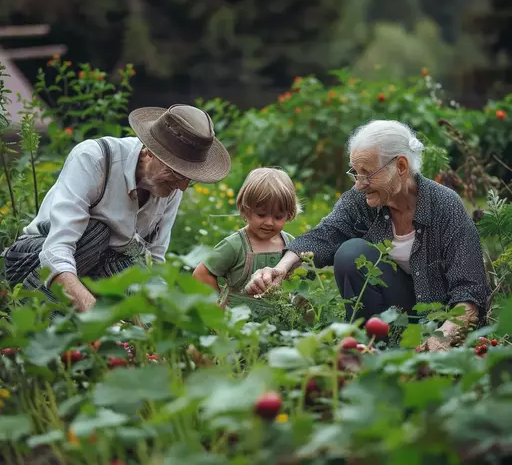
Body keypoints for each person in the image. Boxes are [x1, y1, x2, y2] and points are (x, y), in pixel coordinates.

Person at [245, 120, 491, 351]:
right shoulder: (360, 200)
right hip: (393, 317)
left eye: (367, 173)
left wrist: (441, 341)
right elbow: (326, 234)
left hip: (439, 324)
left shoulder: (445, 207)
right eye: (355, 172)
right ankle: (370, 350)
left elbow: (469, 295)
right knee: (351, 253)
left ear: (401, 167)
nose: (359, 184)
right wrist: (281, 268)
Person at [3, 104, 231, 314]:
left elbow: (153, 262)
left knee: (146, 296)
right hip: (34, 260)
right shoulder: (95, 159)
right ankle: (30, 315)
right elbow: (55, 252)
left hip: (102, 269)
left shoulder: (169, 187)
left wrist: (174, 313)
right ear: (150, 151)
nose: (181, 187)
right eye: (177, 174)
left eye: (189, 179)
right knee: (96, 234)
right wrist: (93, 313)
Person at [193, 167, 300, 316]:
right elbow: (201, 274)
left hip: (279, 323)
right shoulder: (234, 245)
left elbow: (295, 282)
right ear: (245, 210)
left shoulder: (289, 243)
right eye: (261, 214)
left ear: (289, 215)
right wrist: (217, 309)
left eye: (278, 216)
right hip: (238, 323)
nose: (269, 222)